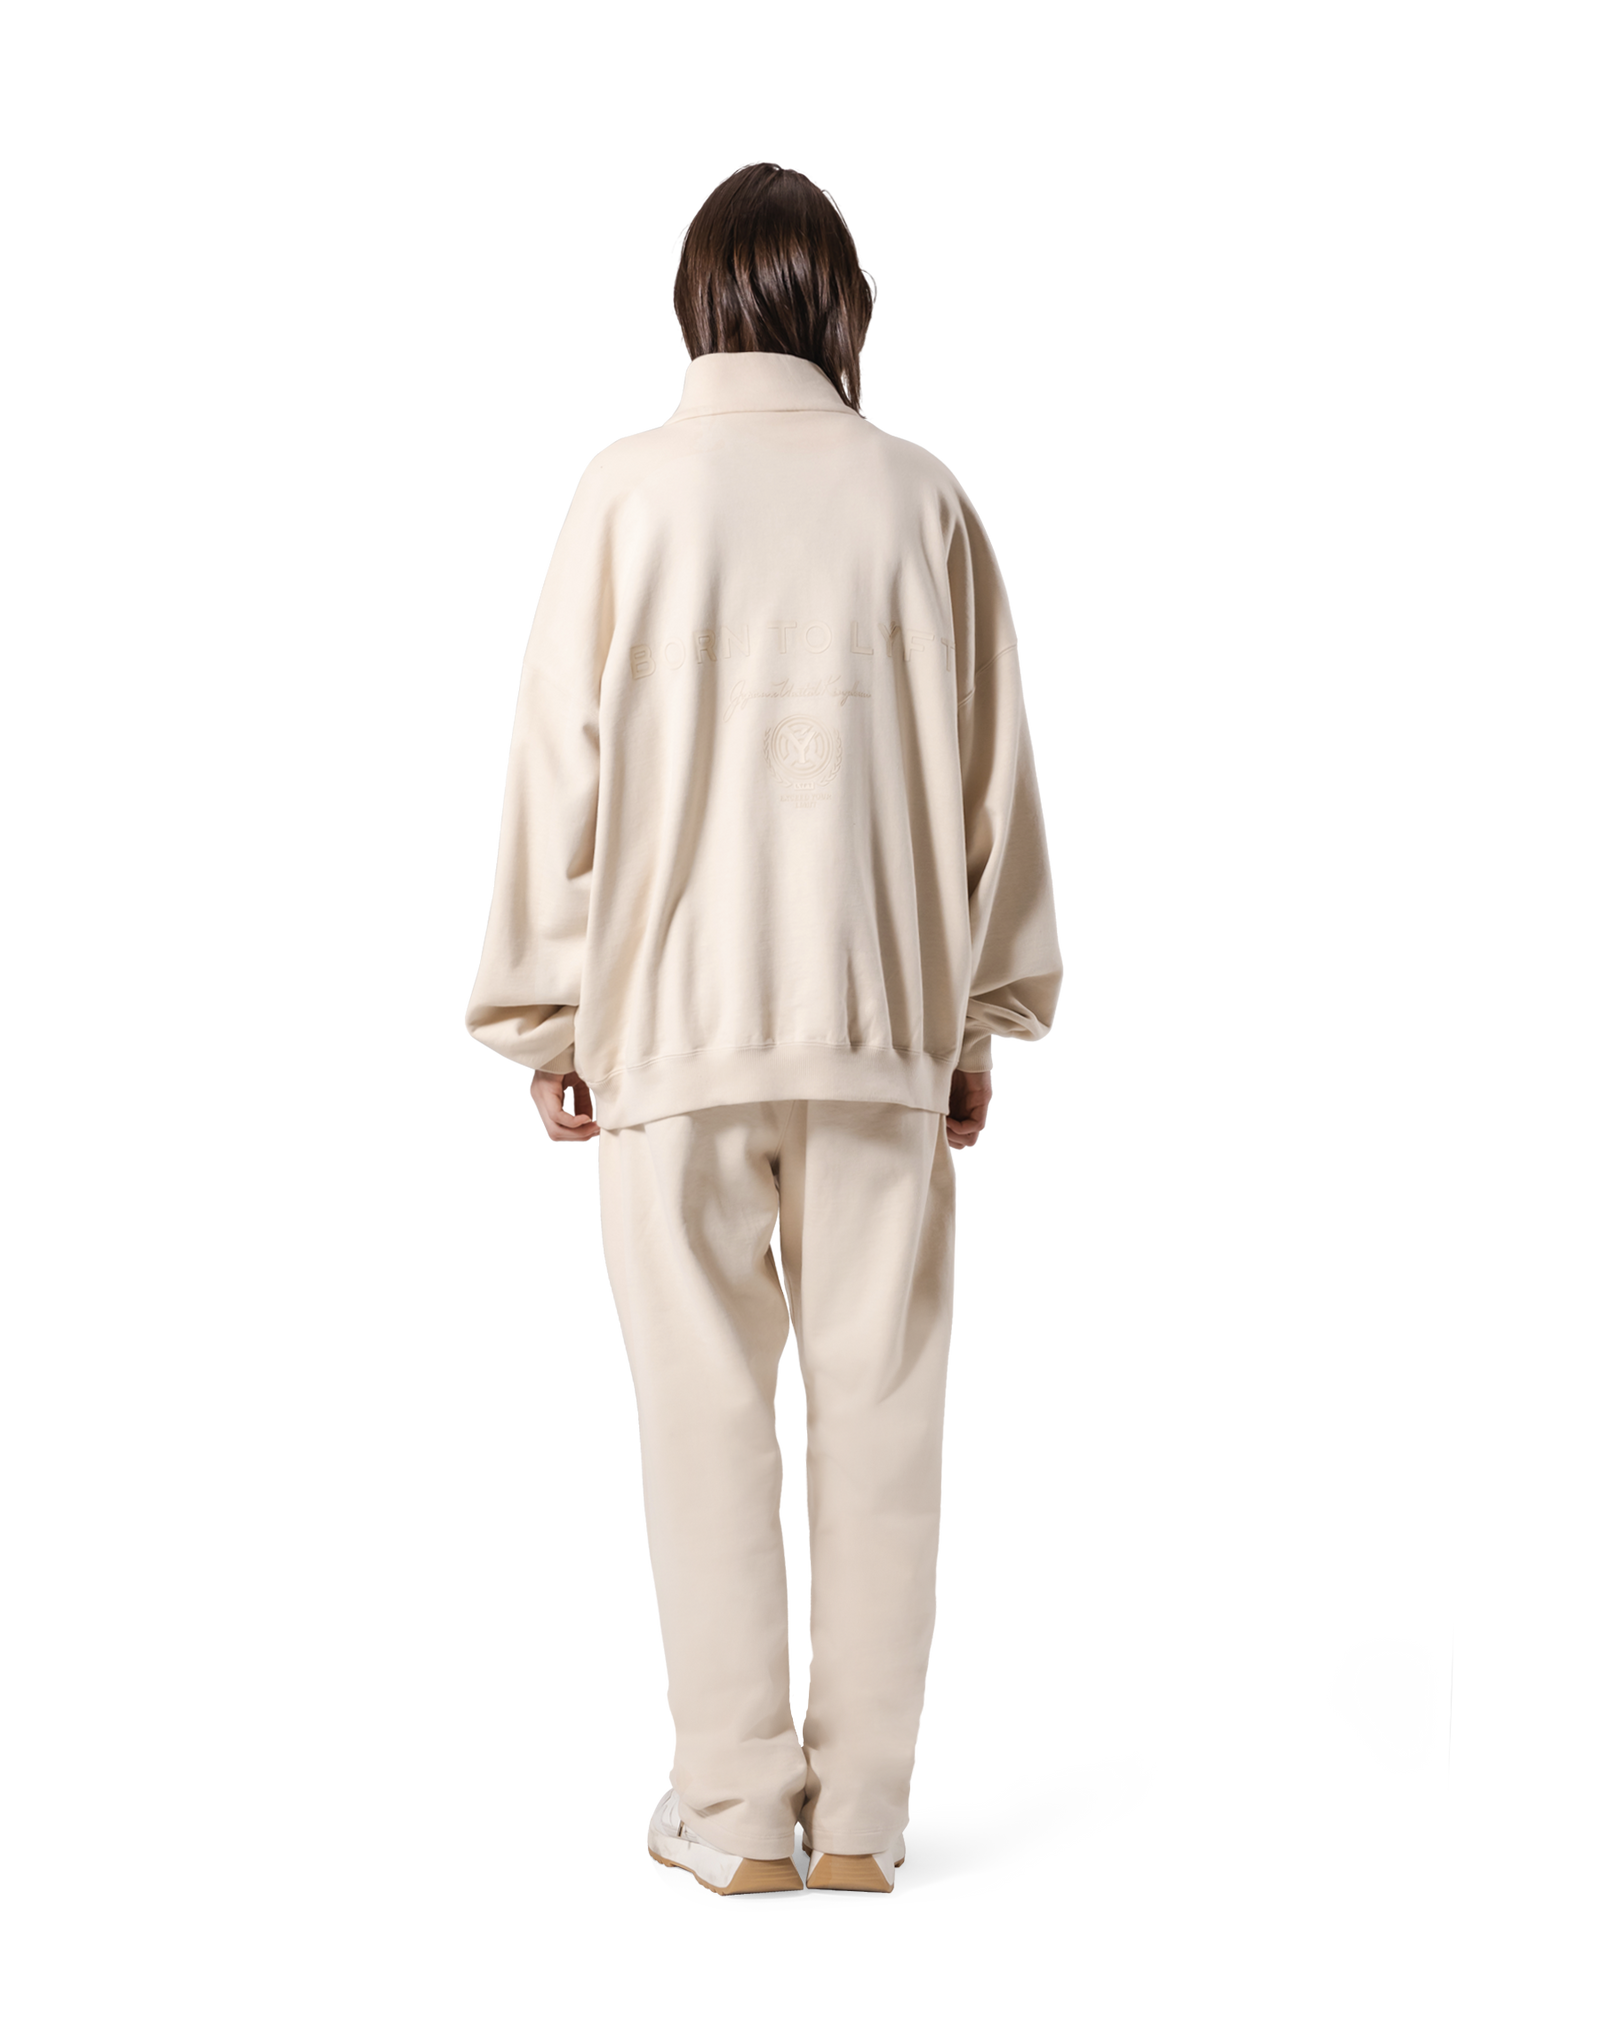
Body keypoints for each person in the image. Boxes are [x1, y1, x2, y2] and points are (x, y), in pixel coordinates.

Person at [462, 159, 1065, 1899]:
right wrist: (981, 1021)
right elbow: (997, 790)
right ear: (842, 307)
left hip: (670, 1031)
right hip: (881, 1034)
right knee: (885, 1415)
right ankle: (865, 1819)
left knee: (704, 1424)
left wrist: (549, 1016)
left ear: (695, 304)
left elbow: (555, 772)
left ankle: (735, 1819)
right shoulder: (925, 498)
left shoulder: (624, 494)